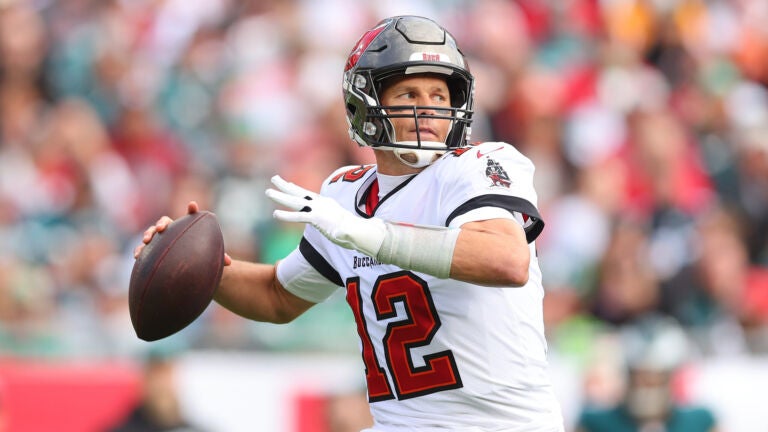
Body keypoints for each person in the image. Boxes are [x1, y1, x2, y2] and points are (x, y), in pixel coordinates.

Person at [136, 15, 564, 431]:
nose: (430, 110)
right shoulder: (346, 194)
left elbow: (506, 259)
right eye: (410, 95)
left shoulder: (479, 166)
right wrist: (195, 265)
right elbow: (277, 296)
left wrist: (366, 234)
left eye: (440, 95)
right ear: (367, 103)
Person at [576, 316, 718, 432]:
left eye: (655, 379)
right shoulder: (595, 422)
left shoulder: (700, 421)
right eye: (640, 378)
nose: (646, 387)